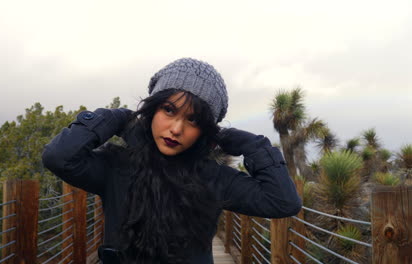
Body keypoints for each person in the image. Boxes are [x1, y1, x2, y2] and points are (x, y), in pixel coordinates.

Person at [42, 58, 301, 264]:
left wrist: (252, 145)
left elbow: (283, 202)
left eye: (194, 120)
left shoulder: (213, 177)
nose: (176, 128)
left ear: (205, 130)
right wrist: (117, 117)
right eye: (168, 110)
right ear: (151, 109)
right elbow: (59, 156)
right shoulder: (117, 165)